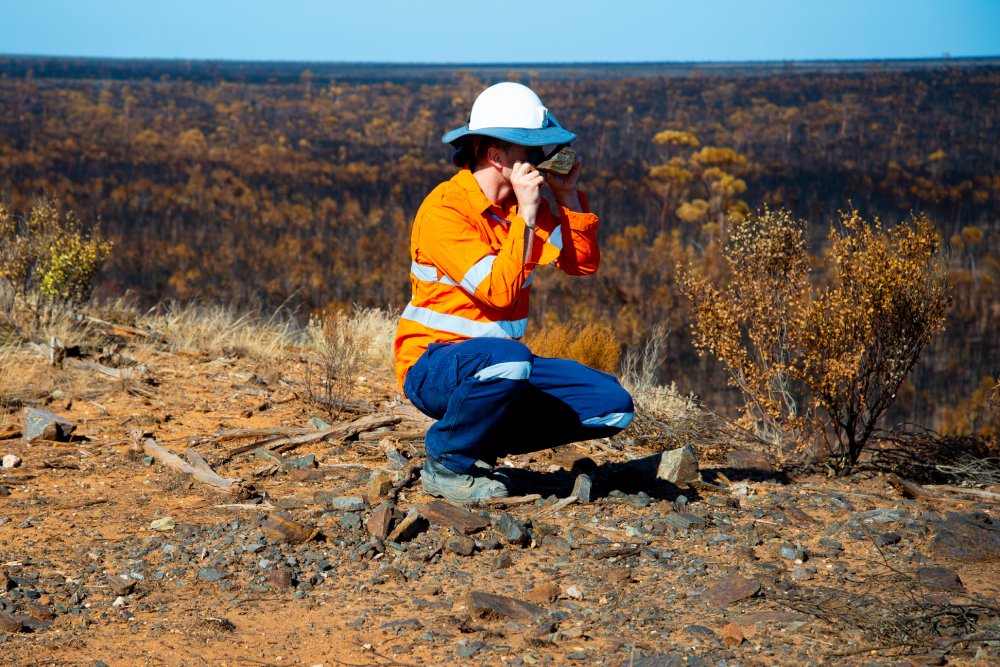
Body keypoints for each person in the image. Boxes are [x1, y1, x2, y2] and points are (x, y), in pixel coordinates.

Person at [393, 82, 634, 504]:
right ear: (496, 157)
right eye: (530, 152)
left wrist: (566, 197)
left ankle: (477, 444)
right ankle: (447, 462)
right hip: (433, 365)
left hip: (498, 365)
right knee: (510, 361)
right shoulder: (445, 212)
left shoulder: (524, 209)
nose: (539, 163)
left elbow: (582, 264)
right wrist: (525, 215)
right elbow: (499, 295)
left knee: (611, 403)